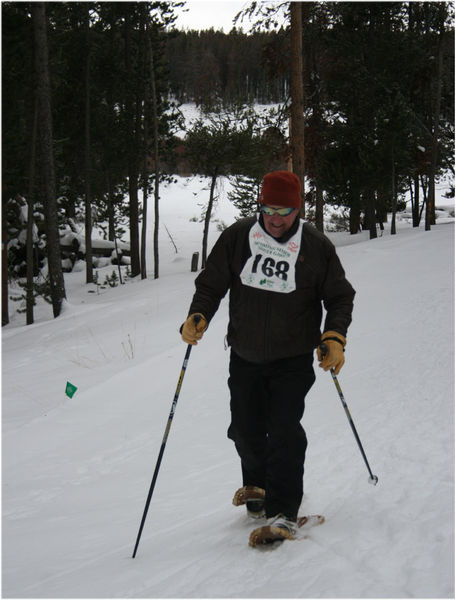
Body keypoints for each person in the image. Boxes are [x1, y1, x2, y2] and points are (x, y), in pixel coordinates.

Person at [181, 170, 355, 545]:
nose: (275, 219)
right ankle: (257, 487)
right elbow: (211, 283)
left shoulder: (316, 247)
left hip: (292, 358)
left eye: (285, 211)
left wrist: (334, 335)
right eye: (268, 209)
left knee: (283, 430)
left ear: (299, 209)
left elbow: (339, 296)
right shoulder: (239, 237)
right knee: (244, 429)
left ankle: (283, 511)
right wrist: (199, 314)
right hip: (244, 354)